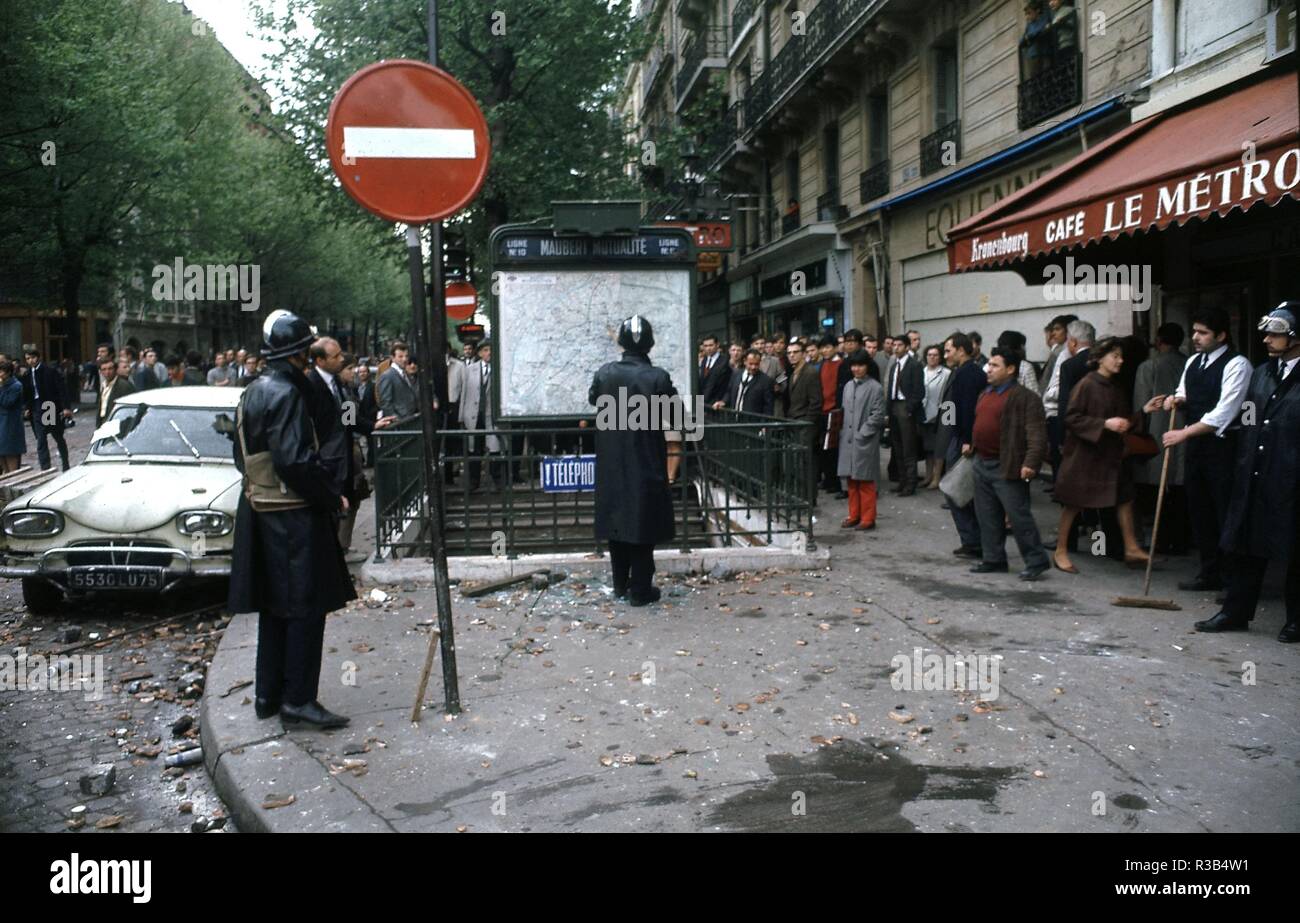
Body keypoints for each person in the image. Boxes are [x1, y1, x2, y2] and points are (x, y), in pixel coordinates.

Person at [228, 310, 356, 728]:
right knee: (305, 607)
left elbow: (239, 455)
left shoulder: (253, 391)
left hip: (262, 510)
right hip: (295, 515)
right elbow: (295, 459)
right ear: (301, 354)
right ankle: (298, 699)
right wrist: (330, 493)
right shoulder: (288, 393)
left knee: (275, 607)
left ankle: (268, 694)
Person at [1200, 304, 1300, 639]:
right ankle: (1235, 611)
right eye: (1267, 333)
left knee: (1295, 549)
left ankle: (1296, 619)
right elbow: (1247, 417)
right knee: (1246, 544)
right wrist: (1242, 458)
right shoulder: (1262, 372)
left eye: (1276, 334)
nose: (1267, 339)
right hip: (1255, 470)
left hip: (1291, 475)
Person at [1144, 307, 1250, 594]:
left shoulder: (1237, 365)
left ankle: (1233, 582)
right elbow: (1185, 392)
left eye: (1202, 333)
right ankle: (1209, 572)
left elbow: (1224, 413)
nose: (1195, 337)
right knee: (1200, 509)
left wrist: (1183, 433)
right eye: (1194, 331)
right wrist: (1172, 401)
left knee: (1224, 511)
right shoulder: (1193, 361)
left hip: (1223, 447)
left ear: (1221, 335)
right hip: (1196, 447)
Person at [589, 315, 676, 605]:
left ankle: (619, 585)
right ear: (649, 343)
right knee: (643, 524)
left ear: (622, 342)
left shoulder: (604, 373)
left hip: (612, 463)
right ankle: (640, 590)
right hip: (646, 460)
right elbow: (676, 416)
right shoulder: (658, 377)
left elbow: (594, 399)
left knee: (617, 522)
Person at [1052, 336, 1150, 574]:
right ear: (1099, 359)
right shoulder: (1086, 385)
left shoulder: (1115, 387)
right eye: (1115, 356)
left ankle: (1130, 546)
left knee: (1125, 498)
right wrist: (1104, 424)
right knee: (1074, 504)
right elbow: (1071, 418)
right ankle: (1060, 550)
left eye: (1121, 356)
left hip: (1109, 455)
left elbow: (1122, 421)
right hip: (1086, 457)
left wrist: (1144, 411)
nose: (1120, 361)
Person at [968, 348, 1050, 580]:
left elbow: (1037, 434)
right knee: (987, 515)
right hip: (982, 463)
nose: (989, 369)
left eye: (994, 365)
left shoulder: (1025, 398)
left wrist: (1031, 463)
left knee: (1018, 516)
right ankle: (993, 559)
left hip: (1008, 465)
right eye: (989, 365)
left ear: (1011, 369)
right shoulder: (986, 393)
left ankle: (1036, 561)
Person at [1132, 322, 1188, 553]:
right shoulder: (1190, 363)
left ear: (1159, 341)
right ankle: (1182, 538)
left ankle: (1162, 539)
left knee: (1159, 489)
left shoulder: (1149, 366)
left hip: (1158, 432)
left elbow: (1141, 404)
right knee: (1180, 487)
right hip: (1187, 431)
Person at [943, 333, 987, 558]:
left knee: (956, 489)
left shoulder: (968, 374)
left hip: (964, 440)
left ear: (961, 350)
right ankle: (974, 540)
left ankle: (973, 540)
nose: (946, 355)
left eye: (949, 350)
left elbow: (969, 408)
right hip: (960, 436)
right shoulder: (964, 372)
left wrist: (968, 440)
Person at [837, 350, 886, 531]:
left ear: (867, 366)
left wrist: (863, 432)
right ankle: (854, 514)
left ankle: (868, 517)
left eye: (860, 365)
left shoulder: (875, 388)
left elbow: (878, 415)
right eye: (854, 365)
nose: (856, 369)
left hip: (865, 440)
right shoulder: (849, 386)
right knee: (851, 480)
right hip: (848, 438)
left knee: (865, 480)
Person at [459, 340, 506, 490]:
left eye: (491, 350)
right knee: (474, 450)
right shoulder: (469, 370)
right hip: (473, 415)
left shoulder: (500, 369)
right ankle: (474, 481)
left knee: (494, 448)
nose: (488, 353)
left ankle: (497, 478)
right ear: (479, 353)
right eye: (485, 350)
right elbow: (464, 393)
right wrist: (461, 416)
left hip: (491, 415)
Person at [20, 347, 71, 471]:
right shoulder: (27, 374)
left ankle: (65, 463)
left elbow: (61, 389)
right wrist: (27, 407)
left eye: (33, 357)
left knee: (57, 435)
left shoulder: (49, 371)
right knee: (41, 439)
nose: (31, 361)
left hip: (48, 406)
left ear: (38, 357)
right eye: (28, 358)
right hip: (36, 408)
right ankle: (45, 467)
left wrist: (65, 407)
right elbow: (26, 392)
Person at [1040, 313, 1078, 477]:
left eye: (1057, 329)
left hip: (1057, 409)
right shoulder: (1059, 351)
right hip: (1052, 408)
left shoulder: (1064, 353)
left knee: (1059, 451)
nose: (1053, 333)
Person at [785, 337, 823, 502]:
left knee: (806, 463)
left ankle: (809, 498)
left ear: (803, 353)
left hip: (806, 424)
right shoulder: (795, 371)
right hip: (796, 422)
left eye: (795, 352)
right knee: (798, 463)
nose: (792, 355)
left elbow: (816, 402)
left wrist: (808, 424)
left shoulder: (810, 372)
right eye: (789, 353)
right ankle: (803, 496)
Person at [886, 334, 924, 495]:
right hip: (894, 405)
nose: (896, 348)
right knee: (897, 446)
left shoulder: (914, 365)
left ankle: (910, 483)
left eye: (899, 345)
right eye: (894, 345)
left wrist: (909, 408)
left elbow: (919, 391)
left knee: (909, 447)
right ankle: (902, 480)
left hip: (905, 406)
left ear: (907, 347)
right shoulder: (895, 365)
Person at [921, 344, 951, 488]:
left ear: (940, 357)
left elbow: (948, 396)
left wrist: (947, 417)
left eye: (935, 355)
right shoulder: (922, 371)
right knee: (927, 448)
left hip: (940, 414)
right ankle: (928, 476)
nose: (932, 357)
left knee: (939, 447)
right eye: (929, 355)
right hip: (925, 414)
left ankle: (937, 477)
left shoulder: (946, 373)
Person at [817, 335, 843, 494]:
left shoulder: (841, 364)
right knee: (824, 449)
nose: (825, 350)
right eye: (823, 348)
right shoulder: (822, 365)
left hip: (834, 410)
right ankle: (828, 479)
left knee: (834, 449)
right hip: (822, 410)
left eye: (827, 347)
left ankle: (835, 481)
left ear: (834, 347)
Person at [716, 349, 775, 415]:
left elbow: (768, 406)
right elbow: (729, 392)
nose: (753, 367)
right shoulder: (736, 374)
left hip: (753, 422)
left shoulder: (766, 381)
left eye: (756, 364)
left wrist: (765, 424)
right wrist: (723, 401)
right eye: (751, 364)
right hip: (733, 419)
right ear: (745, 361)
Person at [377, 341, 419, 421]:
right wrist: (396, 419)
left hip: (410, 418)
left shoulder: (405, 374)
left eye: (406, 356)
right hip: (400, 421)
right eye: (400, 356)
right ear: (392, 358)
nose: (404, 359)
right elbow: (385, 402)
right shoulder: (387, 376)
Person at [94, 355, 135, 428]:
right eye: (104, 369)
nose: (107, 372)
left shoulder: (123, 385)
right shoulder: (104, 385)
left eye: (110, 369)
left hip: (117, 425)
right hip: (104, 423)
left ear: (115, 369)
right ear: (100, 371)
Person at [0, 360, 25, 473]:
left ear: (9, 372)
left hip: (10, 424)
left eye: (2, 372)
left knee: (10, 453)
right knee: (2, 456)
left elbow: (7, 402)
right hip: (2, 423)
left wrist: (1, 388)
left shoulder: (16, 386)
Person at [699, 335, 731, 408]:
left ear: (717, 345)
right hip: (702, 404)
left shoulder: (724, 361)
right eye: (705, 346)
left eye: (711, 345)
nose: (708, 348)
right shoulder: (704, 361)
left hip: (716, 404)